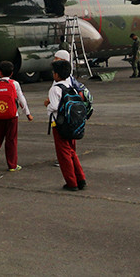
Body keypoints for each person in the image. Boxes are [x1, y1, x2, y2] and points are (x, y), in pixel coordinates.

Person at [0, 60, 32, 177]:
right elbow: (21, 99)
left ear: (0, 72)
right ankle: (12, 165)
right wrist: (28, 113)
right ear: (11, 73)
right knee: (11, 140)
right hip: (12, 116)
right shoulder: (14, 84)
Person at [46, 59, 86, 191]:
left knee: (64, 155)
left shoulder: (55, 89)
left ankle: (71, 182)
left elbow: (54, 106)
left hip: (59, 125)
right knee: (72, 152)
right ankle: (80, 179)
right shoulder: (72, 87)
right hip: (72, 123)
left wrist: (47, 105)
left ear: (56, 75)